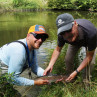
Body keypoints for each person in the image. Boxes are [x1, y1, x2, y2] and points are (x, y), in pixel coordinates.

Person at [44, 13, 97, 82]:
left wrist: (76, 71)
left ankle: (85, 82)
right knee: (68, 59)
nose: (66, 35)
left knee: (91, 63)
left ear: (75, 24)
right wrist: (50, 65)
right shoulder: (62, 35)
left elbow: (89, 57)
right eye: (63, 32)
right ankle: (70, 78)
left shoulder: (91, 33)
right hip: (74, 43)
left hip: (88, 41)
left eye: (68, 30)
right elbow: (57, 50)